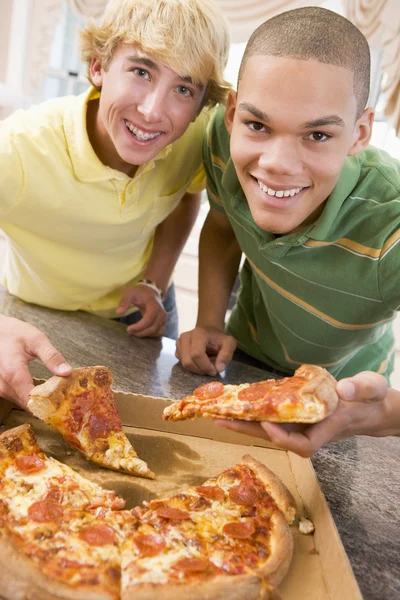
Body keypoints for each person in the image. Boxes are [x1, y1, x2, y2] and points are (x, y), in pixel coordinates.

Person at [176, 6, 400, 455]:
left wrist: (384, 416)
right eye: (258, 125)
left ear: (359, 133)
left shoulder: (390, 226)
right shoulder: (220, 144)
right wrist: (209, 321)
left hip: (346, 402)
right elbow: (222, 228)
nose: (276, 164)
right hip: (244, 357)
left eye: (316, 135)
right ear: (233, 113)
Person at [0, 0, 231, 407]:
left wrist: (153, 281)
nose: (152, 111)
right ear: (98, 67)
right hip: (38, 313)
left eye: (183, 89)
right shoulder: (18, 149)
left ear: (199, 106)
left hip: (143, 309)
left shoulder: (193, 140)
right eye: (141, 71)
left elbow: (184, 196)